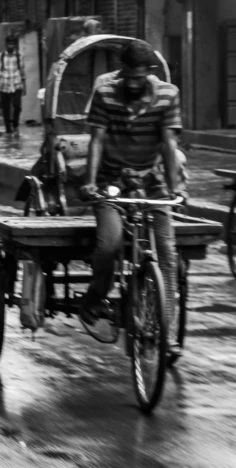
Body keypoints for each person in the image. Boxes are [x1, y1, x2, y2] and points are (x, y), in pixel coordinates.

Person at [78, 40, 185, 353]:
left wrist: (174, 186)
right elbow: (96, 140)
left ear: (149, 72)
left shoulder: (168, 94)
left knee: (166, 251)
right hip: (111, 182)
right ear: (121, 72)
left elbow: (168, 144)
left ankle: (167, 335)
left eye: (140, 78)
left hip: (151, 181)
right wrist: (90, 182)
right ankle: (95, 298)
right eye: (129, 77)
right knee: (109, 244)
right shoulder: (105, 93)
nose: (134, 84)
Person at [0, 34, 26, 134]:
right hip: (4, 85)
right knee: (5, 108)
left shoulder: (19, 56)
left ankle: (15, 124)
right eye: (9, 44)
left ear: (15, 45)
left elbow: (22, 72)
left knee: (17, 106)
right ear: (6, 45)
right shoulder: (1, 56)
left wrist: (25, 86)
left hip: (17, 84)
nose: (11, 46)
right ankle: (8, 128)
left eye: (12, 44)